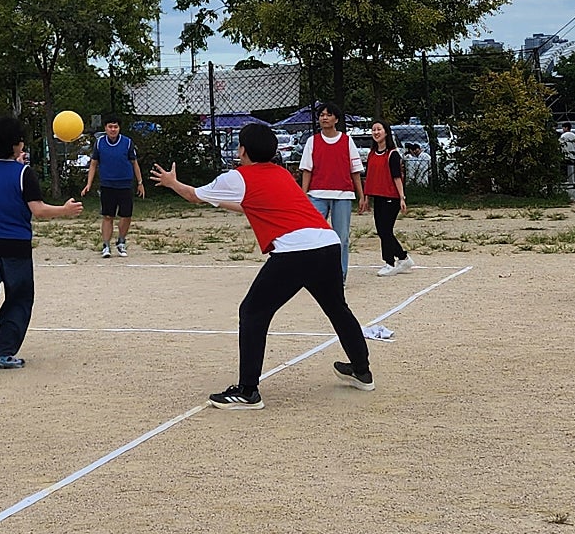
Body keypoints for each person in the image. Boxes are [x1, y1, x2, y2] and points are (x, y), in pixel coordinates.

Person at [152, 120, 374, 408]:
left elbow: (194, 196)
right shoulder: (280, 173)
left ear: (242, 150)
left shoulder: (237, 177)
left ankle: (247, 390)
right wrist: (217, 200)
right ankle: (362, 370)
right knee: (336, 308)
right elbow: (250, 203)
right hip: (326, 244)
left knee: (253, 311)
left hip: (296, 251)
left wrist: (172, 183)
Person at [0, 115, 82, 369]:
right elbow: (37, 210)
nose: (23, 145)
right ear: (13, 145)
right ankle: (1, 353)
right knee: (19, 298)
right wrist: (64, 210)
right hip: (15, 247)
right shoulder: (23, 173)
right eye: (20, 142)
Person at [299, 102, 365, 279]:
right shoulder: (312, 141)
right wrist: (303, 195)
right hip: (317, 194)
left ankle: (339, 275)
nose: (324, 118)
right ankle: (314, 273)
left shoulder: (346, 140)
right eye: (322, 115)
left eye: (328, 115)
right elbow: (307, 170)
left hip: (342, 194)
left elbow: (355, 171)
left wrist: (361, 196)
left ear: (336, 119)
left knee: (341, 238)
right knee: (313, 235)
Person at [82, 116, 145, 257]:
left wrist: (140, 183)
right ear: (105, 128)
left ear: (119, 128)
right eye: (110, 127)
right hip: (107, 184)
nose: (113, 129)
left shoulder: (127, 143)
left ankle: (121, 242)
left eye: (115, 127)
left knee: (126, 215)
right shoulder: (99, 143)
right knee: (108, 216)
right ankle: (106, 246)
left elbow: (134, 163)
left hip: (125, 184)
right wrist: (89, 184)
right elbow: (93, 164)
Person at [364, 120, 414, 276]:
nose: (376, 132)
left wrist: (401, 197)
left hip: (391, 197)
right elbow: (370, 177)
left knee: (385, 230)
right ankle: (403, 257)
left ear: (386, 132)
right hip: (378, 197)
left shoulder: (392, 154)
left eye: (379, 129)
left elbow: (397, 177)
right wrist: (366, 197)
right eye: (373, 130)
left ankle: (390, 262)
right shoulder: (372, 154)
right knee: (382, 231)